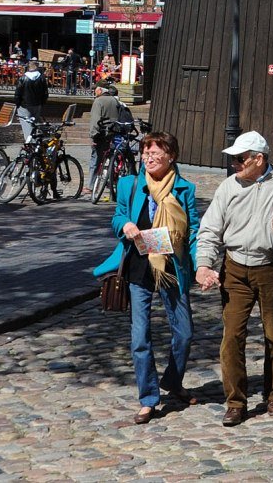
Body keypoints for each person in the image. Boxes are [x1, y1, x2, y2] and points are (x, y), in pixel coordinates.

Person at [195, 131, 273, 427]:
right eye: (233, 159)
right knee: (231, 338)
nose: (234, 164)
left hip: (271, 269)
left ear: (259, 159)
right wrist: (204, 264)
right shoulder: (228, 187)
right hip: (235, 270)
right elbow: (210, 230)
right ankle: (236, 402)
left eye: (240, 159)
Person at [92, 131, 199, 424]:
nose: (149, 158)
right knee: (140, 338)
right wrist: (124, 224)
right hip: (138, 269)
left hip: (172, 269)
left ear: (171, 157)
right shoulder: (130, 184)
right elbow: (117, 217)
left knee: (185, 333)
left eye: (156, 154)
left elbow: (193, 231)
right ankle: (149, 399)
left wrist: (200, 265)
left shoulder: (184, 188)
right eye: (146, 153)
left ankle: (173, 382)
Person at [88, 80, 130, 190]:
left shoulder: (98, 101)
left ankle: (92, 186)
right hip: (114, 133)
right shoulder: (114, 101)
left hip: (101, 134)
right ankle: (110, 181)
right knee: (111, 159)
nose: (94, 91)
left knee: (96, 160)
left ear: (100, 90)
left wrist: (93, 135)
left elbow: (95, 120)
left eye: (95, 89)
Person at [14, 60, 50, 139]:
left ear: (29, 67)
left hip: (24, 105)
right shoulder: (41, 78)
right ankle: (35, 144)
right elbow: (45, 93)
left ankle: (30, 143)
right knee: (34, 124)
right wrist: (42, 103)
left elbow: (18, 93)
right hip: (37, 105)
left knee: (26, 125)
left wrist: (17, 104)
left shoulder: (23, 78)